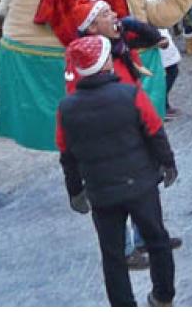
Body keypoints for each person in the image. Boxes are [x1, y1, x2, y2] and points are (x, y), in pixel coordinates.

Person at [56, 35, 178, 307]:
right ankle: (163, 295)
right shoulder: (130, 93)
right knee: (157, 239)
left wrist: (75, 190)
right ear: (106, 62)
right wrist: (168, 162)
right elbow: (154, 131)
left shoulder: (66, 109)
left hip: (101, 191)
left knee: (112, 256)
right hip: (141, 183)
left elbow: (67, 156)